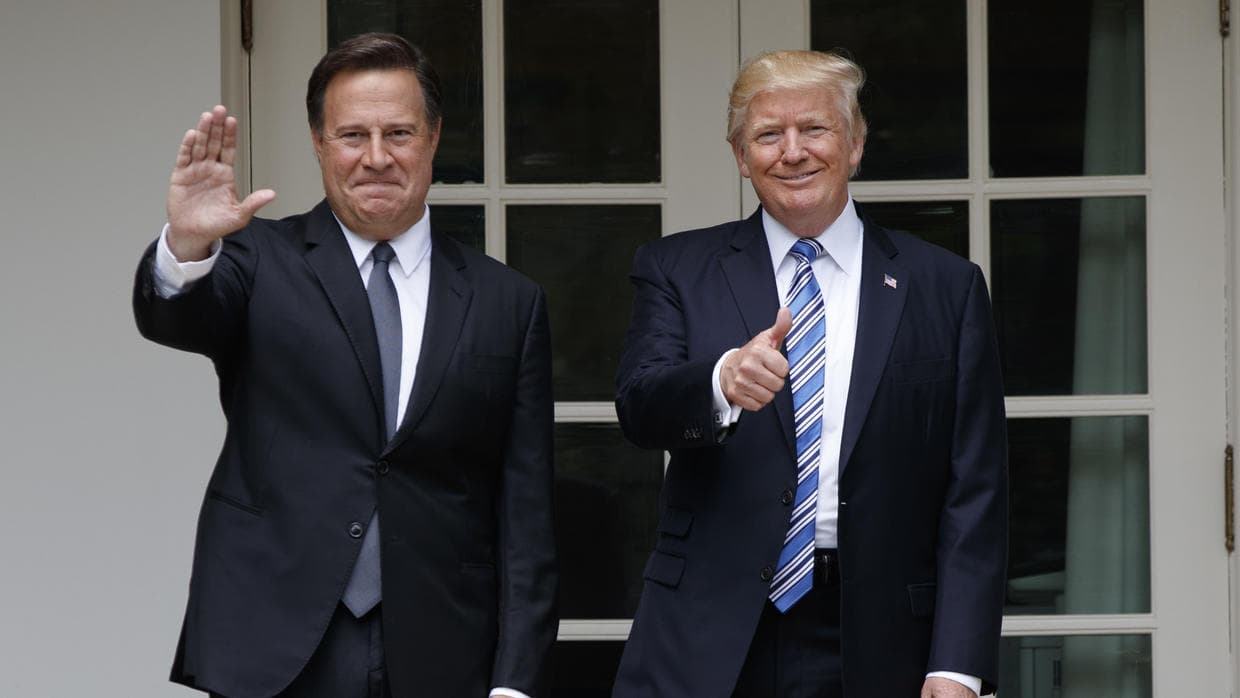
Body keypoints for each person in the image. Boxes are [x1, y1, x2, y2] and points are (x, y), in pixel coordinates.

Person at [133, 33, 557, 698]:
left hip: (445, 650)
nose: (377, 158)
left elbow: (526, 512)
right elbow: (174, 317)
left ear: (435, 137)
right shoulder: (254, 259)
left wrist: (516, 681)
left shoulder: (508, 302)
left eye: (399, 133)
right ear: (318, 142)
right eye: (353, 135)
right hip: (274, 646)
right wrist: (188, 243)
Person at [613, 50, 1007, 698]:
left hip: (880, 638)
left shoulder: (946, 287)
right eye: (768, 135)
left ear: (854, 144)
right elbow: (639, 403)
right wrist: (719, 383)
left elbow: (976, 491)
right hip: (707, 634)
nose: (792, 152)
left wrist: (957, 662)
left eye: (814, 130)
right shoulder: (677, 267)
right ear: (742, 157)